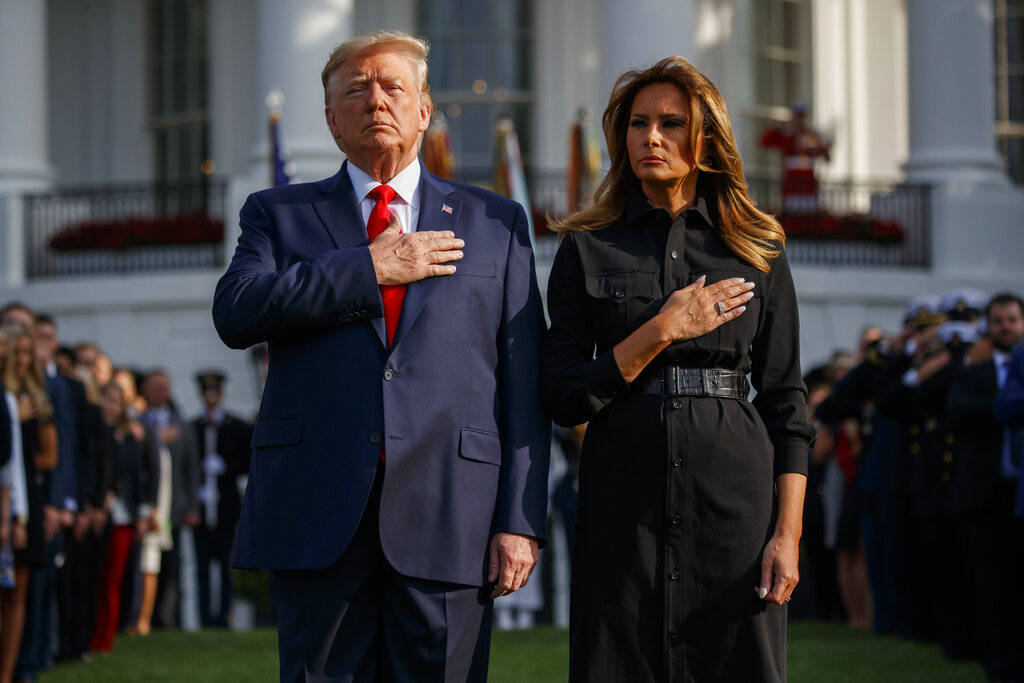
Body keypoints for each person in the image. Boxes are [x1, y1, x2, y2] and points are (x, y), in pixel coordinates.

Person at [212, 30, 549, 682]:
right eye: (355, 89)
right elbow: (237, 311)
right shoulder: (277, 215)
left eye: (393, 86)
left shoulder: (494, 221)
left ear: (424, 109)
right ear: (332, 120)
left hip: (453, 513)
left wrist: (519, 519)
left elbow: (523, 380)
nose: (375, 100)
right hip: (321, 516)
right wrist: (365, 268)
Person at [542, 56, 813, 682]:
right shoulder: (586, 246)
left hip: (736, 503)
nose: (651, 138)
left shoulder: (758, 248)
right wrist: (662, 329)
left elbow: (787, 403)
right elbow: (560, 394)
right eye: (638, 124)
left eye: (670, 123)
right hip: (620, 500)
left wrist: (787, 534)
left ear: (707, 139)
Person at [947, 292, 1024, 681]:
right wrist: (1007, 405)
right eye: (998, 321)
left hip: (1020, 492)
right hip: (986, 495)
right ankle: (998, 665)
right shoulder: (973, 368)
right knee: (991, 584)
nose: (1006, 327)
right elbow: (957, 410)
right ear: (987, 326)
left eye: (1012, 319)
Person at [0, 325, 57, 683]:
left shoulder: (35, 398)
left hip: (23, 500)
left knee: (17, 595)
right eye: (15, 351)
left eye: (26, 352)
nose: (22, 359)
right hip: (9, 494)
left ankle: (9, 672)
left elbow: (49, 456)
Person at [90, 381, 157, 652]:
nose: (110, 406)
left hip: (122, 515)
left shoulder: (131, 437)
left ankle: (106, 636)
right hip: (99, 512)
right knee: (95, 578)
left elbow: (138, 477)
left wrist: (143, 512)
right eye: (106, 399)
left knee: (113, 579)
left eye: (115, 402)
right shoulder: (94, 431)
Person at [136, 369, 199, 634]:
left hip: (173, 507)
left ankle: (167, 618)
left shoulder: (182, 425)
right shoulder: (137, 423)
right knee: (145, 563)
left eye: (165, 386)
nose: (161, 391)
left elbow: (191, 468)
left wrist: (192, 506)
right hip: (145, 505)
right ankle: (140, 616)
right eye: (156, 386)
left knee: (172, 565)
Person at [190, 370, 252, 628]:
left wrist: (226, 467)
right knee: (202, 568)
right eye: (206, 392)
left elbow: (248, 461)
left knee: (226, 568)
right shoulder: (193, 427)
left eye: (214, 391)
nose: (210, 396)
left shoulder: (235, 426)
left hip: (226, 507)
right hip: (202, 508)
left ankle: (225, 616)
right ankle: (205, 618)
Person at [759, 102, 831, 213]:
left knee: (809, 211)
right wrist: (778, 128)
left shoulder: (813, 134)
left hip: (808, 184)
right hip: (791, 183)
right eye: (797, 117)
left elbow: (826, 155)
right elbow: (765, 142)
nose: (799, 120)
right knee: (792, 210)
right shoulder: (786, 134)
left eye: (802, 117)